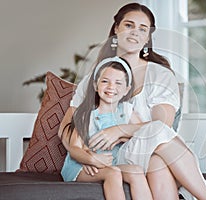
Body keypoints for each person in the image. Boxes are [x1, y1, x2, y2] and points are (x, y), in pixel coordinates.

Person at [58, 3, 206, 200]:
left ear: (148, 37)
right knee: (155, 162)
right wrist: (87, 158)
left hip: (148, 150)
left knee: (156, 156)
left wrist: (118, 130)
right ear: (116, 28)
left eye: (143, 29)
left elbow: (161, 128)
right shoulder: (96, 77)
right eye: (129, 25)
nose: (135, 33)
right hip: (114, 157)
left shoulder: (160, 75)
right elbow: (66, 128)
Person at [60, 56, 153, 200]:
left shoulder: (127, 111)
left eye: (118, 83)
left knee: (136, 171)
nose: (111, 87)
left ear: (126, 89)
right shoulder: (85, 113)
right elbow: (74, 149)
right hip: (81, 167)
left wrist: (123, 133)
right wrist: (91, 159)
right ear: (95, 85)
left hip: (112, 163)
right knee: (113, 173)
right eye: (105, 81)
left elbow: (145, 129)